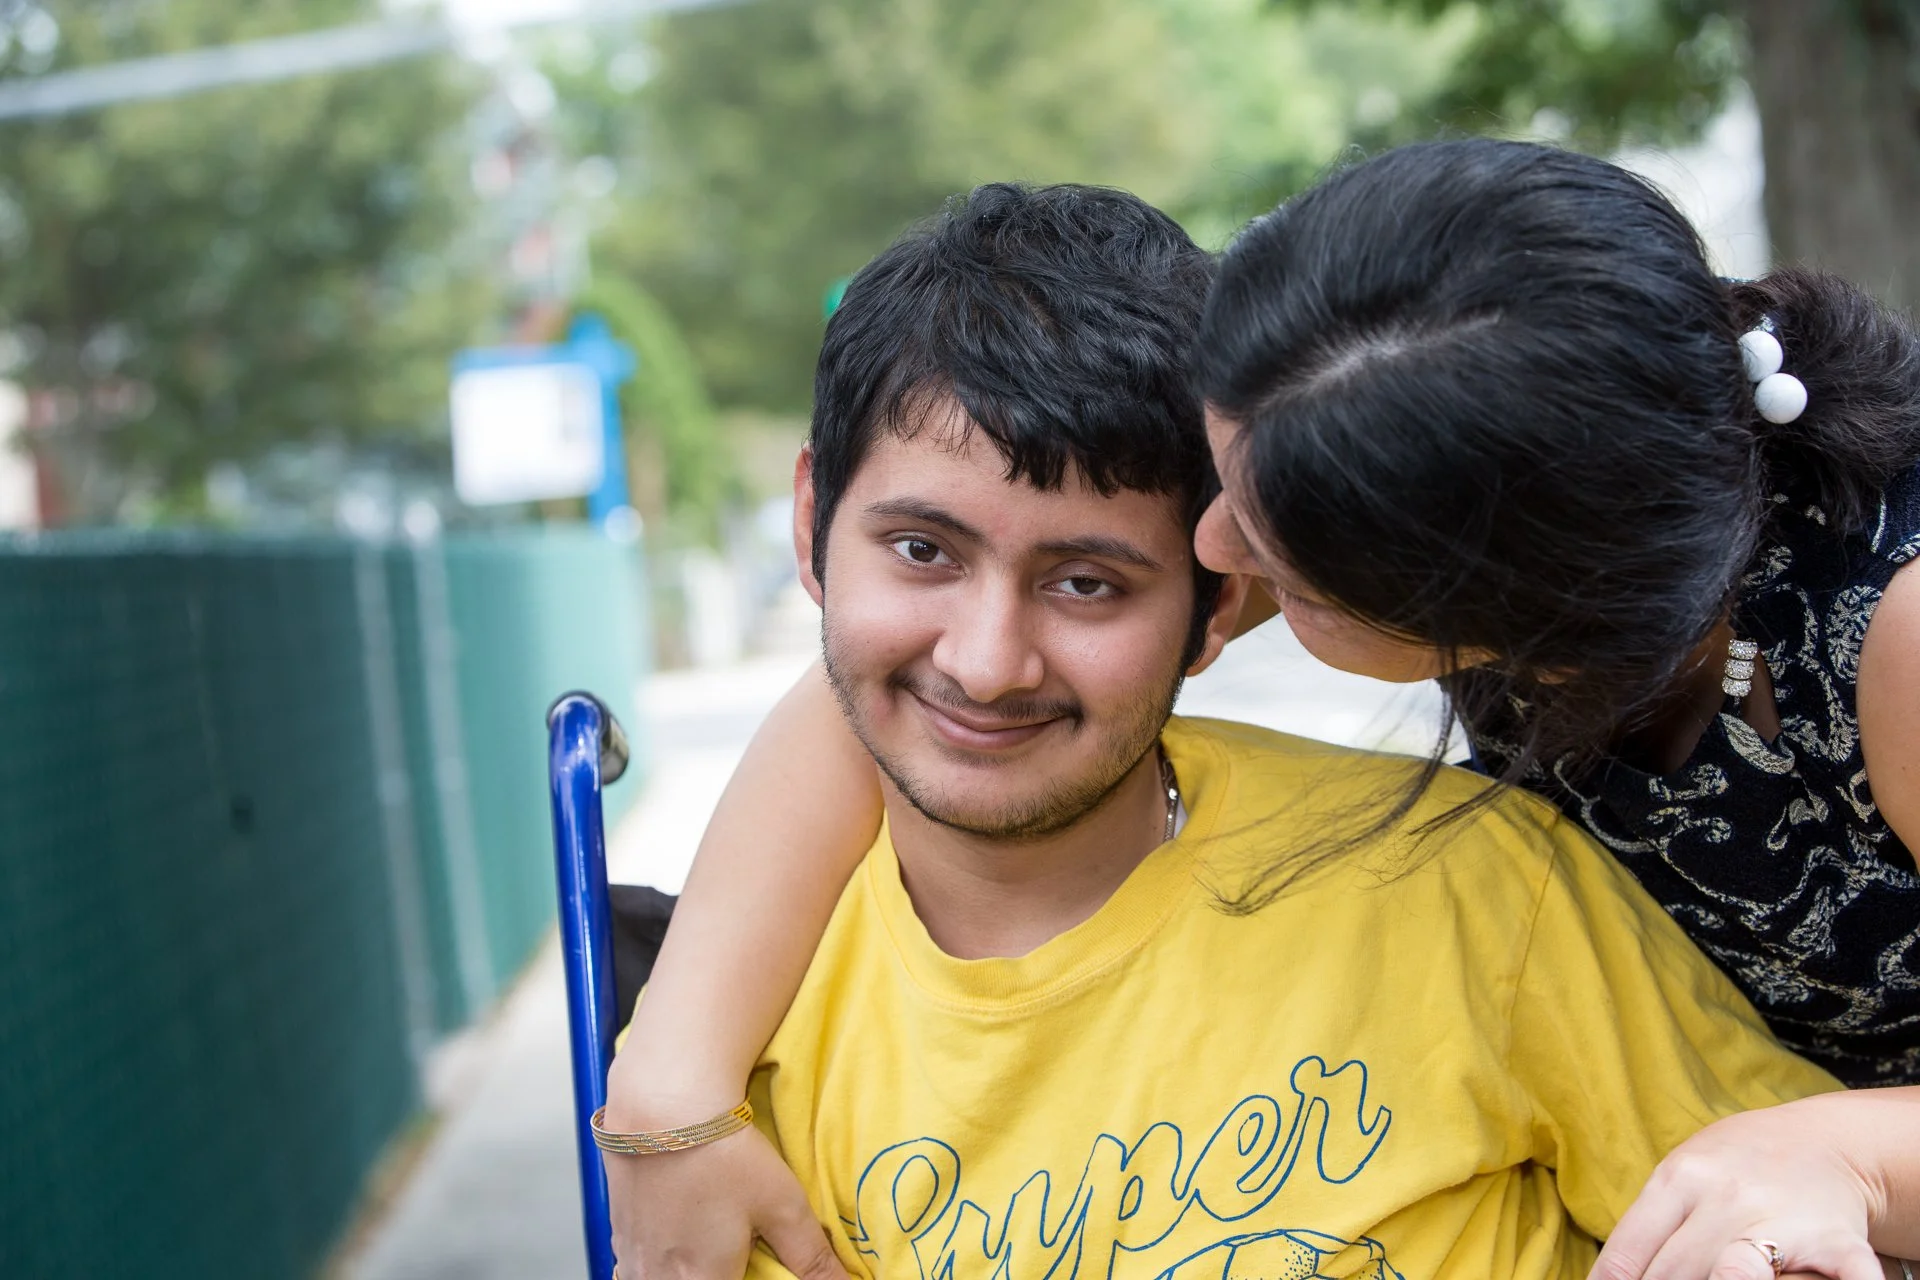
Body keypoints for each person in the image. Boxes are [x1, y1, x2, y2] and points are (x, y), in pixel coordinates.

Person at [605, 147, 1920, 1280]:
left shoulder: (1887, 636)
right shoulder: (1422, 460)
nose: (1220, 543)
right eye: (1233, 479)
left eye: (1274, 549)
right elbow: (904, 684)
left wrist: (1827, 1148)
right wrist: (670, 1079)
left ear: (1481, 587)